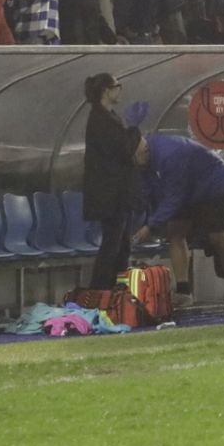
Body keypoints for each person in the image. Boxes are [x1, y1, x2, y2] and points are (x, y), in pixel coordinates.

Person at [133, 133, 224, 303]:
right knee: (175, 234)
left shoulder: (169, 155)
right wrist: (144, 222)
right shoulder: (144, 160)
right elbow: (148, 192)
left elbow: (174, 198)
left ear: (144, 151)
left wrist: (150, 226)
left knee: (217, 236)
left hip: (213, 183)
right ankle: (184, 291)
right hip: (188, 188)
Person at [80, 73, 142, 290]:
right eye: (117, 86)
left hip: (118, 193)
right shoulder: (100, 120)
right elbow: (123, 149)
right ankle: (100, 290)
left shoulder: (109, 117)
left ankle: (118, 290)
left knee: (122, 246)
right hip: (110, 194)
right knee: (112, 246)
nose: (119, 90)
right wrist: (134, 129)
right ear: (106, 90)